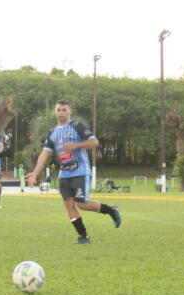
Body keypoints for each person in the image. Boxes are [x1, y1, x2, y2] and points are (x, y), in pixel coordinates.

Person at [26, 99, 121, 243]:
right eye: (58, 110)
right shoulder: (52, 132)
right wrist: (35, 172)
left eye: (64, 110)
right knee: (69, 205)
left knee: (82, 204)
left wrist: (76, 145)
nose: (61, 112)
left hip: (80, 171)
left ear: (70, 112)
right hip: (64, 174)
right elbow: (44, 154)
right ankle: (83, 236)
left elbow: (94, 142)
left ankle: (111, 210)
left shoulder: (77, 126)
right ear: (55, 112)